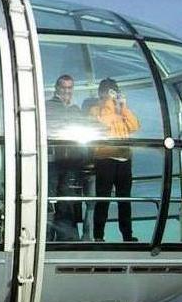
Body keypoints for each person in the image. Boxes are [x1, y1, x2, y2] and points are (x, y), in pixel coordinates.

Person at [88, 78, 141, 242]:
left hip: (124, 159)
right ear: (102, 93)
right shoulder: (96, 110)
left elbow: (134, 126)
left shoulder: (121, 111)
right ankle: (98, 236)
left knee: (124, 199)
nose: (113, 95)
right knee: (103, 198)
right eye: (109, 91)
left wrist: (123, 107)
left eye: (114, 91)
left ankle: (127, 235)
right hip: (105, 158)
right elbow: (102, 123)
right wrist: (109, 104)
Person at [45, 75, 87, 242]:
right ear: (57, 88)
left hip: (71, 162)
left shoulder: (75, 110)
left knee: (66, 201)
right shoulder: (49, 107)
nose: (67, 91)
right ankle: (47, 237)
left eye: (70, 88)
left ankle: (66, 238)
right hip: (52, 161)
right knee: (49, 199)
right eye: (64, 87)